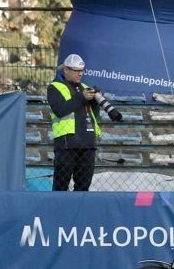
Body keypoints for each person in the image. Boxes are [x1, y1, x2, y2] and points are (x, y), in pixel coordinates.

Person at [47, 54, 122, 191]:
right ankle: (58, 206)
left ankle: (79, 206)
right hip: (67, 144)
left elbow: (93, 115)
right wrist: (82, 97)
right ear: (66, 70)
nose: (80, 74)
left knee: (83, 187)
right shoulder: (54, 87)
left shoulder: (85, 87)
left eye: (82, 70)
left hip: (87, 143)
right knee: (60, 186)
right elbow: (60, 110)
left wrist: (95, 102)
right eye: (76, 70)